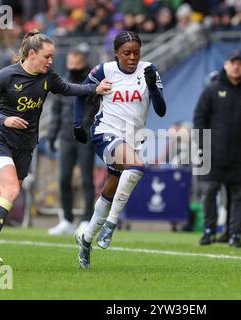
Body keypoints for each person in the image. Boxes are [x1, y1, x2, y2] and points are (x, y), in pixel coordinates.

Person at [0, 29, 111, 267]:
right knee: (10, 192)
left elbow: (69, 88)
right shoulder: (8, 75)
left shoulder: (48, 78)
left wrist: (94, 89)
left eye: (52, 57)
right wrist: (2, 119)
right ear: (31, 54)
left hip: (25, 145)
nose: (51, 61)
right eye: (47, 56)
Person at [73, 31, 166, 269]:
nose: (132, 57)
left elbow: (161, 110)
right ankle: (110, 226)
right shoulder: (104, 71)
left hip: (132, 139)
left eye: (136, 52)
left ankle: (85, 239)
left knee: (109, 191)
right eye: (127, 53)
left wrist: (152, 88)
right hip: (105, 133)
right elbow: (81, 94)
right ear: (116, 53)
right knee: (136, 166)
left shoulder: (149, 70)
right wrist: (77, 123)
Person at [194, 49, 241, 248]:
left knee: (239, 195)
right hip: (213, 152)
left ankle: (235, 234)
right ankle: (209, 230)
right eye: (232, 62)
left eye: (240, 63)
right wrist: (202, 146)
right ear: (226, 65)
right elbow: (199, 119)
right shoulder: (212, 90)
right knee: (210, 190)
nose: (236, 66)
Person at [47, 49, 96, 236]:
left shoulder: (92, 81)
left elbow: (98, 109)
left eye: (77, 61)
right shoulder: (61, 83)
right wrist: (52, 136)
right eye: (71, 61)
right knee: (64, 179)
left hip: (85, 138)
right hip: (66, 137)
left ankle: (86, 219)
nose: (74, 65)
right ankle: (67, 219)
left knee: (86, 180)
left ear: (84, 62)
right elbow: (56, 113)